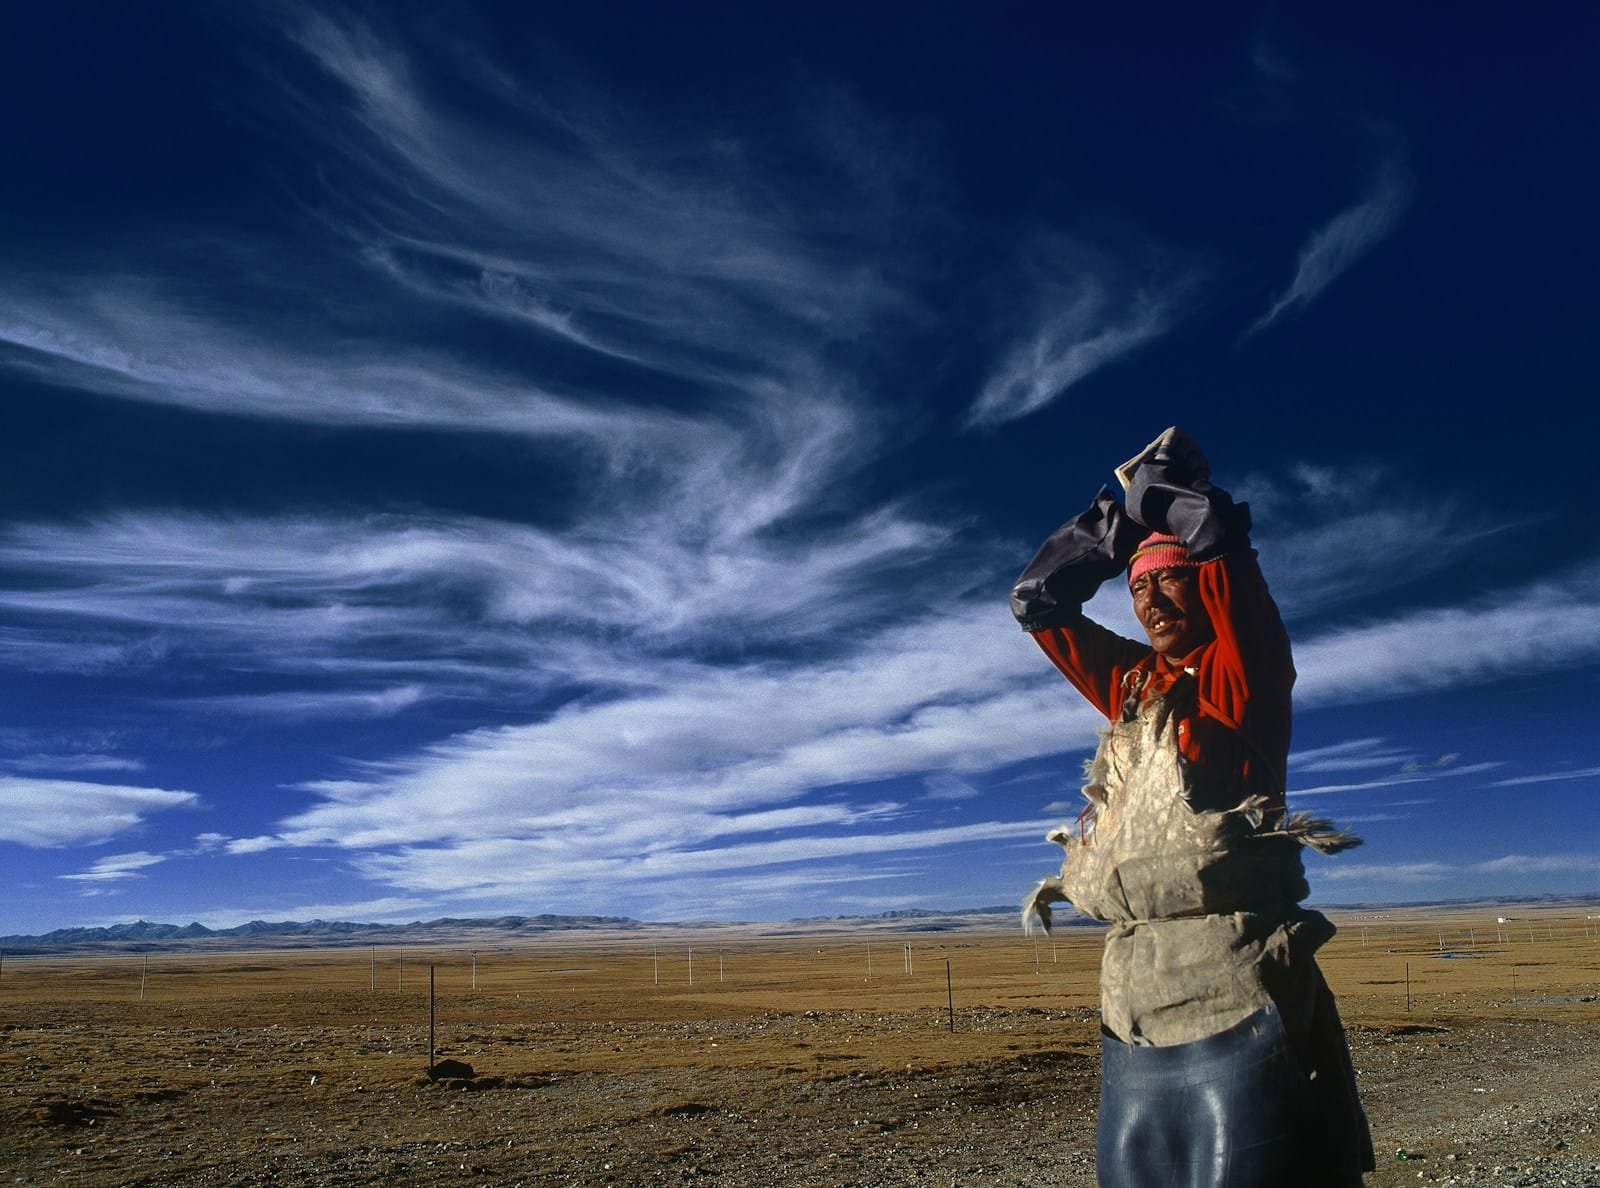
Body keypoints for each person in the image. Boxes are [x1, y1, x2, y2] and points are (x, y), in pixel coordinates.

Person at [1011, 427, 1374, 1187]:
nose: (1149, 600)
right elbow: (1040, 605)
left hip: (1234, 990)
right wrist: (1113, 537)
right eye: (1138, 589)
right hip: (1133, 1000)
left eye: (1167, 581)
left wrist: (1162, 508)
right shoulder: (1136, 685)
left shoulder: (1242, 675)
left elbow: (1213, 543)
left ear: (1202, 586)